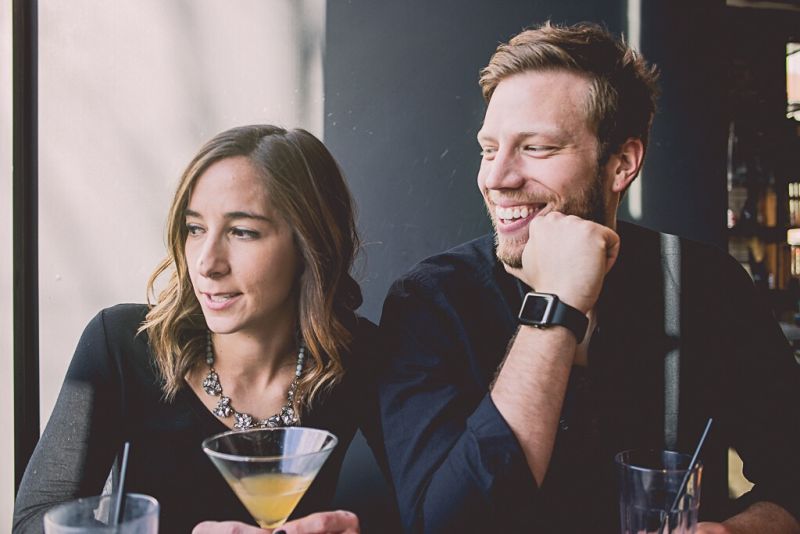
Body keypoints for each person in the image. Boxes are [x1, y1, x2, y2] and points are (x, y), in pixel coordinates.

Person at [378, 22, 800, 533]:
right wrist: (557, 304)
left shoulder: (708, 285)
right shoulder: (430, 301)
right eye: (490, 149)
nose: (495, 177)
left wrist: (736, 532)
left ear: (622, 163)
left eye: (536, 148)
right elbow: (446, 526)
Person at [14, 125, 381, 534]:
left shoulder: (357, 357)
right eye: (195, 229)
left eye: (242, 232)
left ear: (309, 245)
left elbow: (438, 508)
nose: (206, 264)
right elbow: (32, 523)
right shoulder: (120, 344)